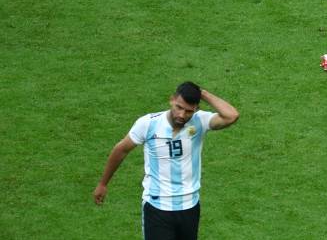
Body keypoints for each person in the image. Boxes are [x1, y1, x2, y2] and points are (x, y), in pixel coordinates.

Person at [93, 82, 239, 240]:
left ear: (196, 108)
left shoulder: (200, 121)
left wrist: (202, 93)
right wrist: (103, 183)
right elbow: (121, 150)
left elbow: (231, 115)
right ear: (172, 100)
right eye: (179, 107)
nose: (182, 115)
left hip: (190, 206)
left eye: (189, 111)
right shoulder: (148, 123)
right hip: (157, 207)